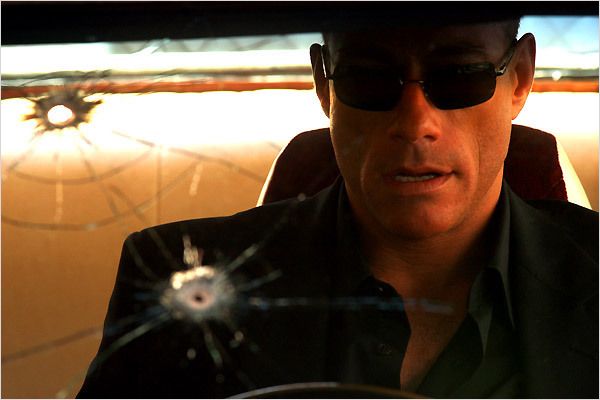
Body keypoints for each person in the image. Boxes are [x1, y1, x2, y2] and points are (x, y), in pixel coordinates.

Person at [78, 13, 598, 399]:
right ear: (324, 86)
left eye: (460, 75)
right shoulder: (171, 274)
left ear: (520, 77)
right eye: (368, 78)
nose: (416, 124)